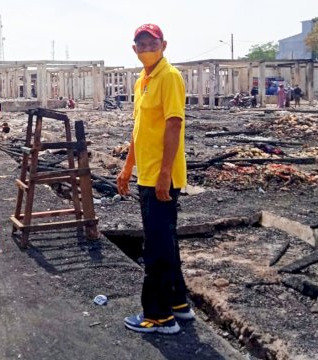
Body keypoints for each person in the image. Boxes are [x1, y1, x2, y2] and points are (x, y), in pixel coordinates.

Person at [116, 24, 192, 334]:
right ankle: (177, 303)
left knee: (156, 246)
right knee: (165, 240)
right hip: (147, 173)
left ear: (163, 45)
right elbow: (139, 130)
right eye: (141, 44)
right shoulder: (142, 82)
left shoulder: (169, 77)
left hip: (161, 177)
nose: (147, 48)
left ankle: (158, 316)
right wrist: (126, 167)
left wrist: (164, 174)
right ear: (134, 50)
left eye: (152, 43)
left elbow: (173, 126)